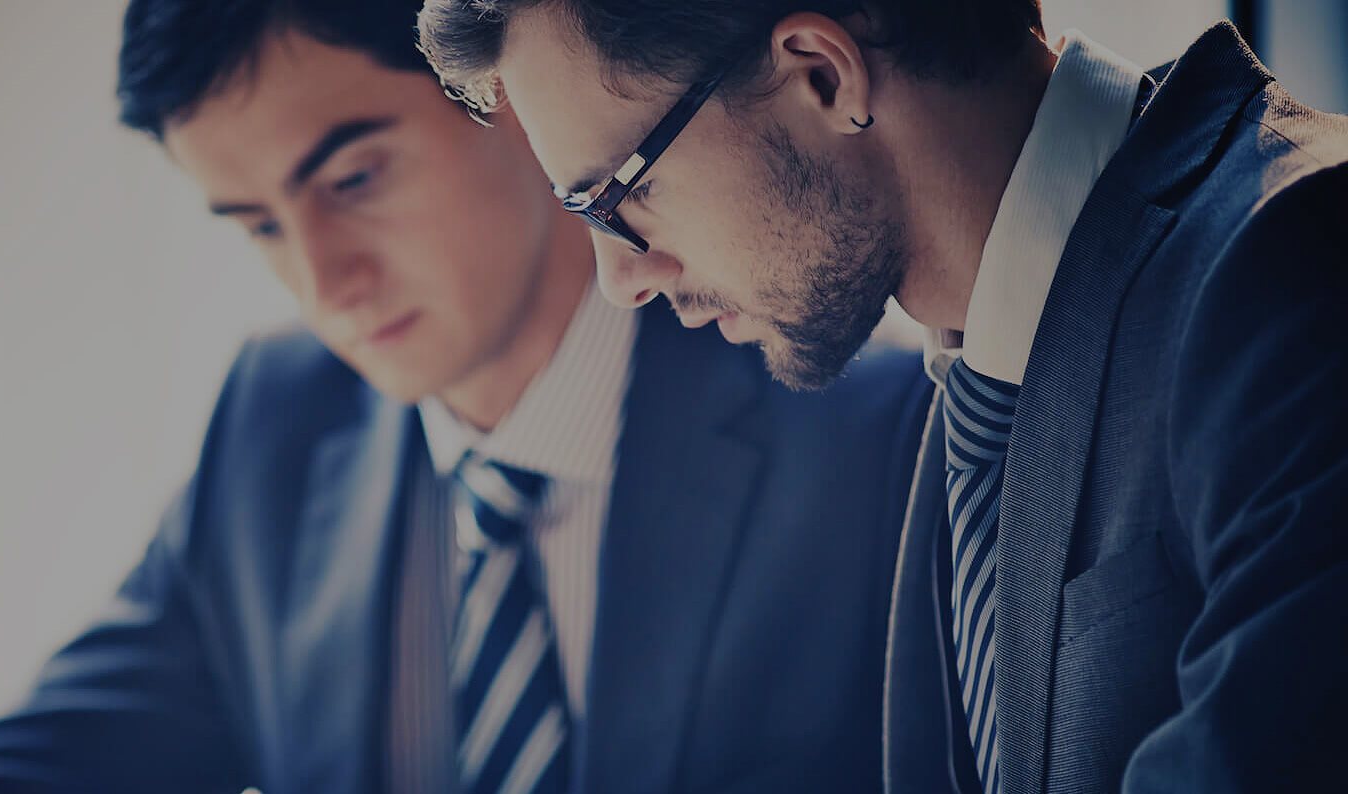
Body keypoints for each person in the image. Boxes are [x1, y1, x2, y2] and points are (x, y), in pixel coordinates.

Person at [0, 1, 932, 793]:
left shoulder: (871, 429)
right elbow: (57, 751)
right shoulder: (274, 421)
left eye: (354, 180)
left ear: (510, 96)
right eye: (260, 225)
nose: (323, 281)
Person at [417, 1, 1348, 791]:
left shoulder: (1298, 272)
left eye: (620, 198)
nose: (621, 279)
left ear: (823, 77)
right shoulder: (980, 368)